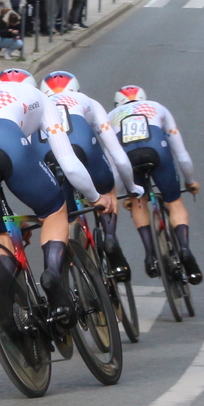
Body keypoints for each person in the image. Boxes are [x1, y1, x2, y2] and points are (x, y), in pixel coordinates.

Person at [0, 69, 111, 327]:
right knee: (54, 211)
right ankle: (53, 276)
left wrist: (17, 221)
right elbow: (69, 165)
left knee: (1, 232)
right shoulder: (40, 98)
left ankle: (7, 317)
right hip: (7, 143)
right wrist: (94, 197)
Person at [40, 70, 140, 279]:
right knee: (108, 190)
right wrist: (132, 187)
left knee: (62, 214)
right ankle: (110, 237)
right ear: (76, 89)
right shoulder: (87, 101)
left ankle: (72, 259)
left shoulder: (40, 105)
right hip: (83, 146)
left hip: (50, 153)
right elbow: (118, 155)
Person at [110, 85, 202, 284]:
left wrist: (124, 194)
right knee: (174, 202)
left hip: (129, 158)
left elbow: (115, 166)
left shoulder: (110, 116)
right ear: (143, 98)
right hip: (157, 152)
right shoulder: (157, 107)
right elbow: (182, 154)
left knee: (139, 201)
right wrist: (190, 181)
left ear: (118, 103)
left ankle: (150, 255)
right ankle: (185, 249)